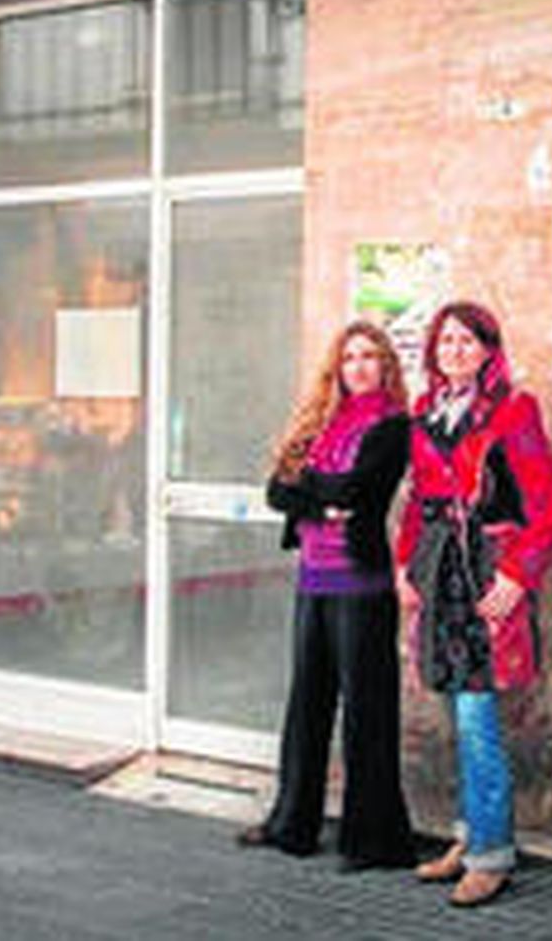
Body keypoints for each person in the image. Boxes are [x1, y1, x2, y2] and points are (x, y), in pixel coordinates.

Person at [395, 301, 552, 907]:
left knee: (476, 716)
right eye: (446, 341)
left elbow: (545, 503)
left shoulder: (515, 410)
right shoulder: (425, 411)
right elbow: (418, 501)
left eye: (467, 341)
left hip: (488, 573)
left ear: (489, 350)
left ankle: (492, 855)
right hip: (439, 572)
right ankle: (469, 838)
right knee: (453, 709)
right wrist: (406, 567)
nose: (455, 350)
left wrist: (518, 576)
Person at [236, 321, 417, 871]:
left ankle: (371, 841)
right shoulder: (322, 421)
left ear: (386, 366)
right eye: (349, 357)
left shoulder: (394, 426)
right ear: (337, 367)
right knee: (307, 706)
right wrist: (321, 502)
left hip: (362, 587)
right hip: (313, 580)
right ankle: (292, 826)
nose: (358, 366)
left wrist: (309, 482)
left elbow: (359, 489)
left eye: (369, 356)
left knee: (366, 712)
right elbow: (276, 490)